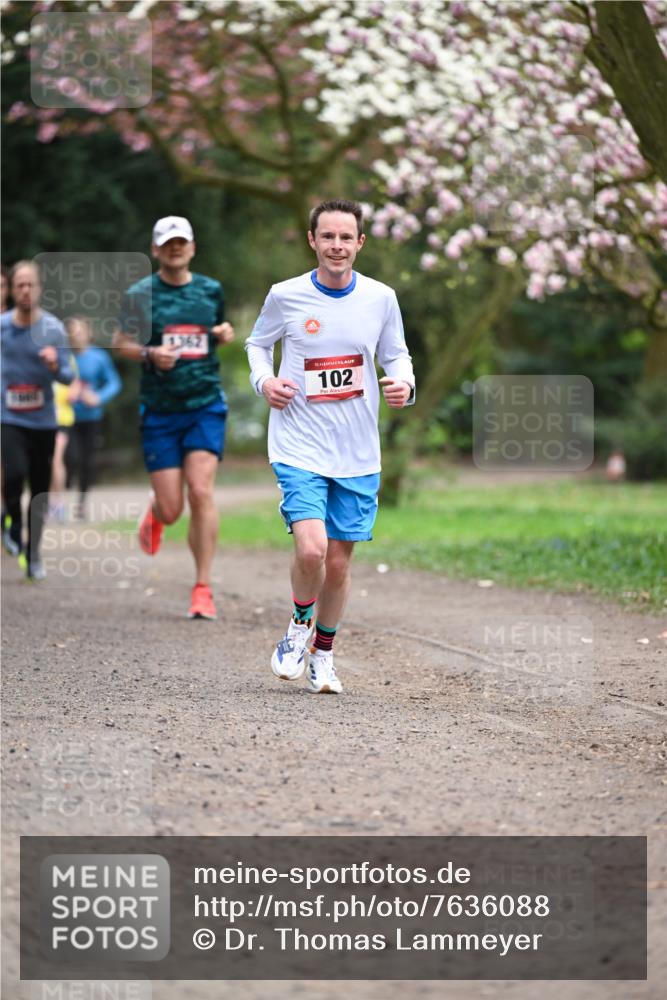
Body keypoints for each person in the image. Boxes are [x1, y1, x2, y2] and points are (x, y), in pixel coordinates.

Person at [245, 198, 415, 694]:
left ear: (359, 243)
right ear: (312, 240)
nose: (336, 246)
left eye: (345, 237)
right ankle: (299, 624)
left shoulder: (381, 298)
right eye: (327, 236)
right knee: (312, 548)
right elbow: (257, 344)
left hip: (357, 452)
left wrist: (404, 384)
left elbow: (396, 355)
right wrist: (264, 382)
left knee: (338, 563)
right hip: (298, 444)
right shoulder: (285, 295)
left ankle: (324, 653)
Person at [113, 216, 234, 620]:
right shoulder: (140, 295)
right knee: (172, 509)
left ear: (192, 248)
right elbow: (120, 343)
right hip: (160, 410)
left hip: (204, 404)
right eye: (168, 243)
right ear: (156, 250)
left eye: (182, 242)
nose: (175, 248)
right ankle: (157, 513)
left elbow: (215, 328)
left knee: (200, 491)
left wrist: (222, 333)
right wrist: (150, 353)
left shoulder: (210, 290)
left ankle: (202, 588)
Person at [1, 261, 75, 577]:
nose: (26, 290)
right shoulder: (2, 327)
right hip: (9, 417)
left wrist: (55, 365)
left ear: (40, 288)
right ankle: (13, 525)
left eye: (31, 284)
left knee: (40, 488)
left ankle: (33, 553)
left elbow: (68, 377)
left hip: (43, 421)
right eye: (20, 285)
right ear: (12, 290)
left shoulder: (53, 329)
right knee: (14, 474)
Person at [65, 315, 121, 519]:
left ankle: (81, 503)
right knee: (69, 457)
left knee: (87, 462)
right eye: (72, 331)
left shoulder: (99, 357)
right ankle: (60, 496)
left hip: (91, 418)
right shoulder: (62, 357)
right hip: (66, 417)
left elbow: (114, 383)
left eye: (80, 331)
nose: (76, 335)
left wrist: (98, 397)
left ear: (89, 333)